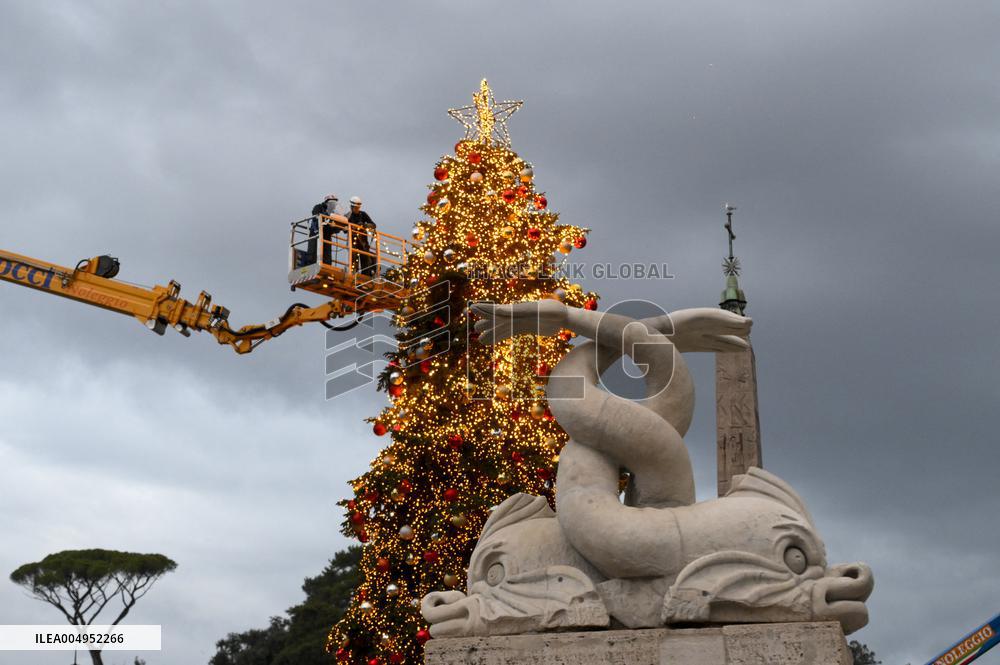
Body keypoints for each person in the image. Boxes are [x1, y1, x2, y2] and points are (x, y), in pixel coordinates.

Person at [308, 194, 348, 266]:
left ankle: (327, 265)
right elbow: (316, 216)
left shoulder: (334, 213)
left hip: (326, 235)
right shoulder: (318, 207)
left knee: (327, 254)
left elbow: (334, 225)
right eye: (331, 203)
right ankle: (313, 264)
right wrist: (326, 217)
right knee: (314, 252)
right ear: (326, 203)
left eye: (334, 204)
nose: (333, 206)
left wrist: (342, 227)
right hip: (316, 234)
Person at [345, 195, 377, 276]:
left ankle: (366, 276)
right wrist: (351, 226)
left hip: (363, 242)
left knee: (366, 259)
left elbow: (373, 225)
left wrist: (366, 225)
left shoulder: (363, 214)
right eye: (355, 208)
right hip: (353, 242)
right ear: (351, 207)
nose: (357, 209)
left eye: (358, 208)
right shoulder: (348, 216)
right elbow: (344, 229)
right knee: (354, 258)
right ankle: (353, 274)